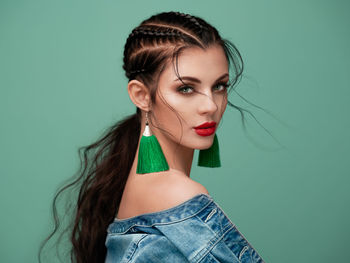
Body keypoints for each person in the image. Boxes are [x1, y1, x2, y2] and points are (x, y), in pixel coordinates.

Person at [39, 11, 265, 263]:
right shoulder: (179, 194)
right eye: (186, 88)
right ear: (141, 96)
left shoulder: (138, 187)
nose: (210, 105)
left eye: (219, 86)